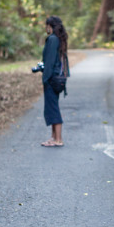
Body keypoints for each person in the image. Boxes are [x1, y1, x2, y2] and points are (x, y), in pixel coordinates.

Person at [40, 15, 70, 147]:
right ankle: (53, 137)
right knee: (52, 107)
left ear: (49, 26)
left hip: (52, 79)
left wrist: (45, 79)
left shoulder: (52, 39)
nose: (45, 28)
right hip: (58, 78)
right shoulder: (58, 39)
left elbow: (50, 62)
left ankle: (58, 139)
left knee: (53, 108)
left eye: (46, 26)